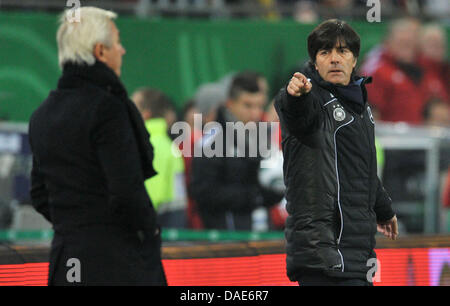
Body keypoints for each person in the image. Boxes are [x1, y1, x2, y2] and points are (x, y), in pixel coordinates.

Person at [28, 7, 166, 285]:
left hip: (65, 260)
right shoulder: (108, 108)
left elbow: (39, 194)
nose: (123, 50)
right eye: (118, 42)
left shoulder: (42, 113)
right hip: (116, 262)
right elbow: (127, 190)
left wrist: (74, 226)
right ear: (101, 51)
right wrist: (149, 231)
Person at [274, 19, 398, 286]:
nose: (334, 59)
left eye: (342, 51)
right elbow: (296, 113)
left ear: (354, 60)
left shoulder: (360, 106)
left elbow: (362, 168)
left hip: (357, 251)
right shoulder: (311, 99)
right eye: (325, 52)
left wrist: (384, 209)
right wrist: (296, 96)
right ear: (315, 62)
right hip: (320, 251)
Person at [190, 72, 284, 230]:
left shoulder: (263, 139)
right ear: (230, 104)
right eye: (248, 105)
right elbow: (203, 193)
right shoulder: (212, 142)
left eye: (259, 106)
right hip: (228, 238)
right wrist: (253, 196)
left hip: (263, 232)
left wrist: (278, 188)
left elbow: (273, 190)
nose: (255, 113)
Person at [132, 88, 187, 229]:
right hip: (170, 227)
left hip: (156, 231)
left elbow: (149, 198)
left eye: (132, 107)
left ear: (145, 114)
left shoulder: (150, 145)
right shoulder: (165, 144)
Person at [363, 18, 430, 124]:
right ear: (388, 42)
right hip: (390, 137)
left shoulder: (421, 68)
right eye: (402, 43)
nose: (408, 48)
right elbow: (370, 113)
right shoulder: (377, 71)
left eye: (411, 44)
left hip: (418, 134)